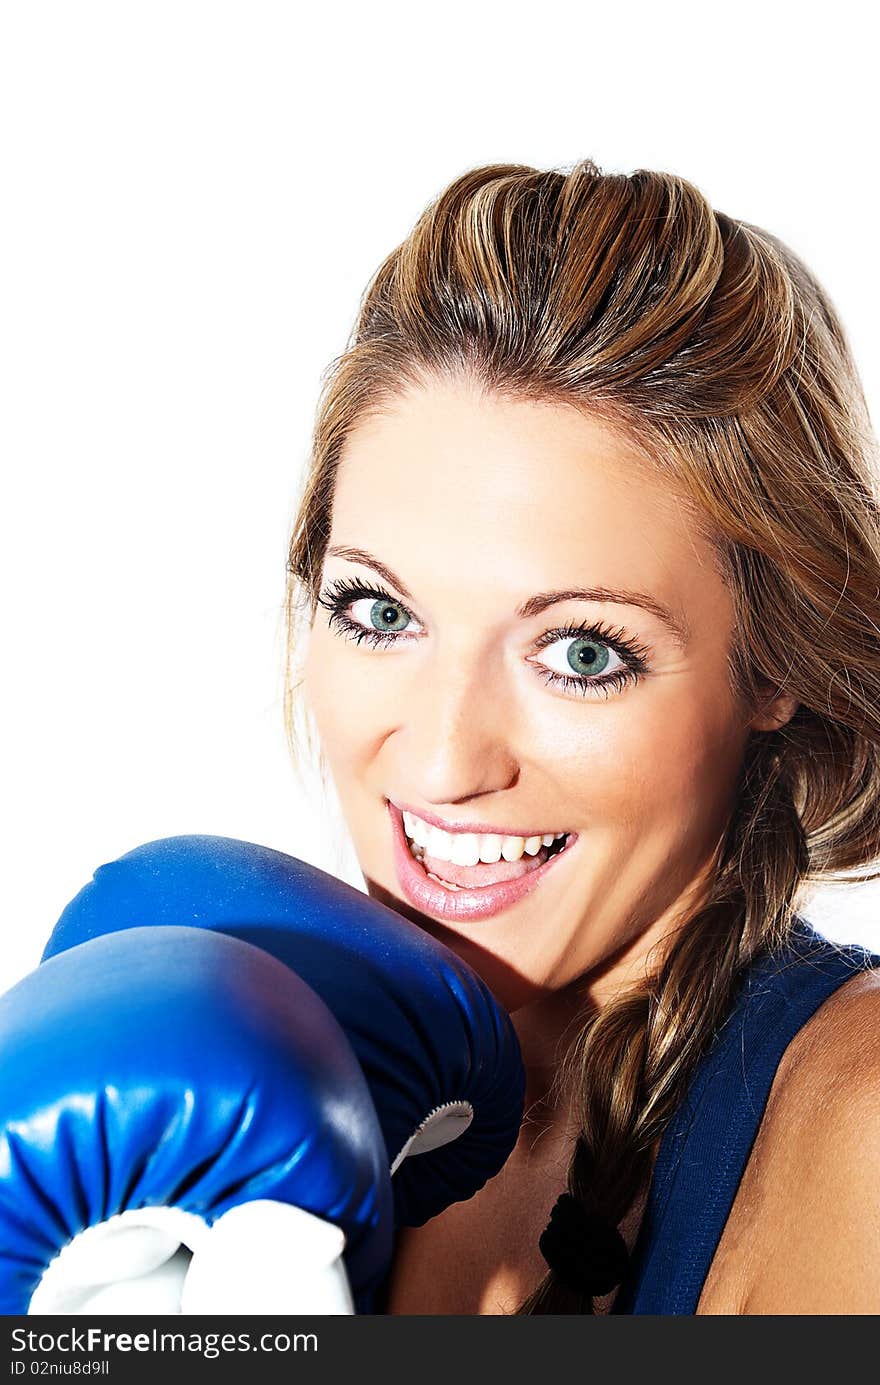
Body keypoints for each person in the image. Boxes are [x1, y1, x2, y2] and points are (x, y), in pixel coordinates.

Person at [282, 157, 880, 1314]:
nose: (445, 760)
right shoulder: (297, 1075)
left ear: (774, 671)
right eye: (380, 611)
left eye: (582, 653)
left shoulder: (858, 1125)